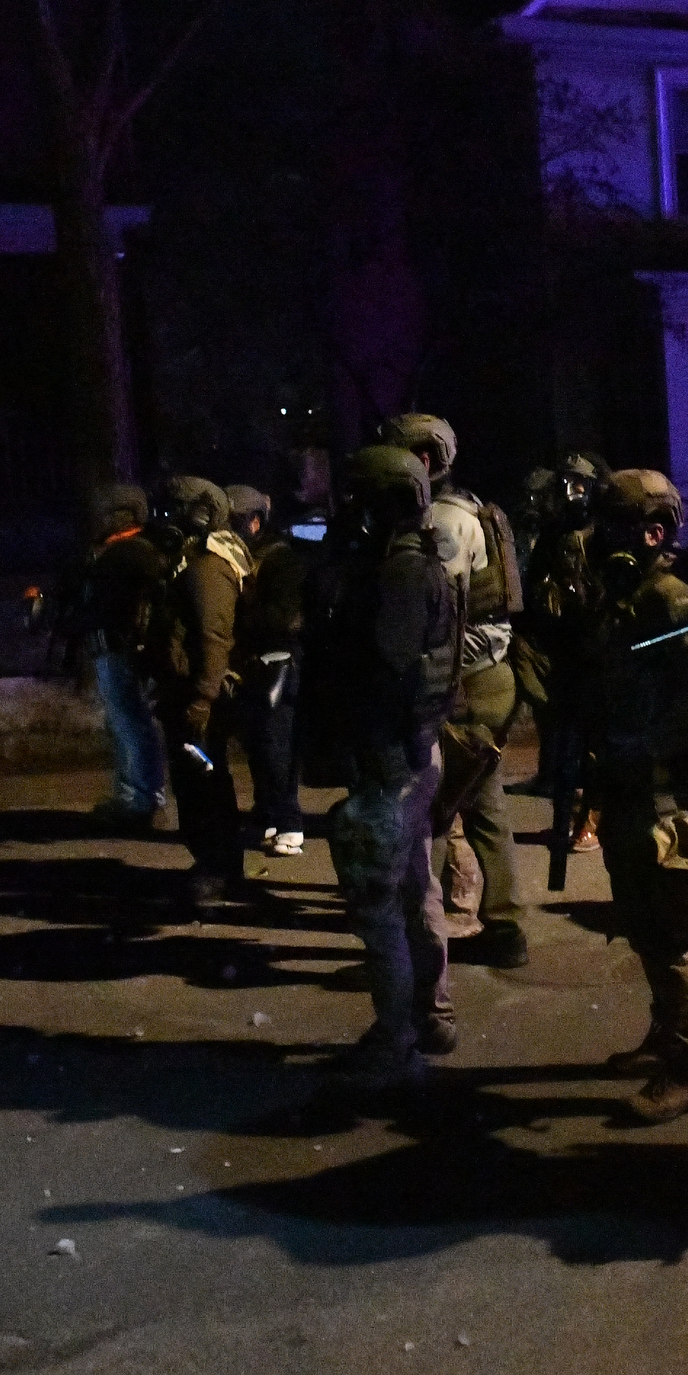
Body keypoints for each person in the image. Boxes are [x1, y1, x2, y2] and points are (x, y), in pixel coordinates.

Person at [580, 469, 688, 1124]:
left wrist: (652, 736)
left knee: (673, 931)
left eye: (617, 527)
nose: (602, 540)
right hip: (626, 785)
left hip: (668, 792)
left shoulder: (680, 603)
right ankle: (667, 1031)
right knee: (644, 924)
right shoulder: (622, 598)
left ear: (653, 531)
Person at [297, 445, 462, 1085]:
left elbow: (386, 670)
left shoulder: (397, 574)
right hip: (410, 752)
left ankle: (398, 1043)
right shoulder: (409, 564)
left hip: (392, 755)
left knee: (378, 902)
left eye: (360, 499)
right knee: (414, 890)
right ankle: (427, 1017)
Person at [379, 415, 533, 969]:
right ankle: (506, 924)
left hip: (462, 684)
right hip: (486, 677)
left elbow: (433, 617)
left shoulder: (443, 522)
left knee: (433, 810)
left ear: (421, 459)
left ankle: (424, 940)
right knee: (485, 804)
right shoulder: (469, 508)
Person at [152, 475, 253, 905]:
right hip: (191, 690)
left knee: (203, 785)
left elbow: (214, 638)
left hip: (201, 697)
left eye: (173, 509)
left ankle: (217, 869)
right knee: (200, 782)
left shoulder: (208, 564)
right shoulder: (194, 559)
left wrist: (201, 701)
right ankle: (217, 864)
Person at [59, 484, 170, 826]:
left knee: (130, 722)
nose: (101, 519)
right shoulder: (115, 551)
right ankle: (133, 795)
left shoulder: (132, 552)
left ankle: (141, 799)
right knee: (123, 721)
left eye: (107, 513)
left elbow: (110, 607)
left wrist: (77, 619)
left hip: (123, 649)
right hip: (114, 648)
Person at [515, 453, 604, 854]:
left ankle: (591, 817)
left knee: (592, 742)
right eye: (569, 484)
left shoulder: (602, 532)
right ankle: (567, 814)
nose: (574, 493)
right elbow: (535, 587)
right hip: (560, 649)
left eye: (582, 485)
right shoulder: (554, 533)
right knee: (565, 739)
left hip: (594, 648)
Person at [224, 485, 307, 857]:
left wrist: (239, 615)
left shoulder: (280, 560)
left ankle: (290, 822)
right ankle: (267, 815)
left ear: (254, 523)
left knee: (277, 748)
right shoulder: (245, 557)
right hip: (254, 664)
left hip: (280, 664)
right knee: (258, 745)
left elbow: (286, 619)